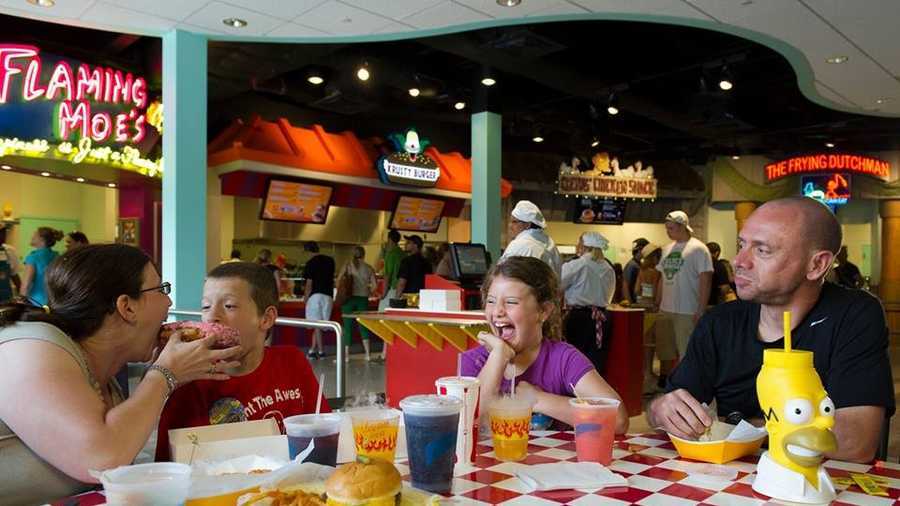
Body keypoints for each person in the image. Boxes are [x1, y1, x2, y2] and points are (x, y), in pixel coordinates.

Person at [648, 197, 894, 463]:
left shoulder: (854, 314)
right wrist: (661, 409)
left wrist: (737, 427)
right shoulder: (720, 322)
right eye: (741, 245)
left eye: (762, 250)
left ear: (816, 265)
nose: (739, 261)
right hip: (733, 485)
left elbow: (854, 443)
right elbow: (662, 411)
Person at [0, 244, 241, 505]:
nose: (169, 301)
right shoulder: (29, 347)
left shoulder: (105, 381)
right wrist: (164, 375)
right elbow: (102, 458)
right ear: (127, 307)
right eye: (161, 289)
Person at [155, 262, 329, 461]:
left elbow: (324, 433)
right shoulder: (190, 381)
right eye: (206, 306)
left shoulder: (292, 362)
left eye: (229, 306)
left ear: (266, 318)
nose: (212, 316)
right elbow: (168, 463)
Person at [460, 256, 628, 433]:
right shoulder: (473, 362)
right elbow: (469, 423)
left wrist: (537, 399)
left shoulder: (564, 359)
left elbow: (618, 420)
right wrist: (498, 356)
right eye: (491, 301)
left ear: (543, 311)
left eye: (511, 302)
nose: (497, 311)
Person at [655, 211, 712, 358]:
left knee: (686, 352)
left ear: (682, 227)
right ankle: (667, 380)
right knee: (665, 352)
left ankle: (685, 381)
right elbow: (662, 277)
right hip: (665, 309)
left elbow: (705, 279)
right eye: (667, 228)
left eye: (671, 228)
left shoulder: (698, 249)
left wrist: (701, 309)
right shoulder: (666, 249)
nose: (668, 232)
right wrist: (658, 302)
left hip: (687, 310)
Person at [561, 232, 616, 374]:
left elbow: (557, 284)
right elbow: (610, 295)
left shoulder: (577, 265)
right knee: (596, 359)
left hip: (579, 317)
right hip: (602, 317)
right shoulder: (608, 268)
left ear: (584, 246)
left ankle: (573, 390)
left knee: (574, 357)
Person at [501, 200, 562, 277]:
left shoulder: (520, 245)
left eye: (514, 222)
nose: (510, 226)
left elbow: (504, 276)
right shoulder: (549, 242)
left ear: (527, 225)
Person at [339, 246, 377, 362]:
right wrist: (368, 291)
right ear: (364, 255)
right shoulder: (369, 268)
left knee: (347, 325)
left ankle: (346, 356)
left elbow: (339, 280)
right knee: (363, 325)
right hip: (363, 298)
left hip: (349, 299)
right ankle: (367, 354)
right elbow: (374, 286)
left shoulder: (347, 265)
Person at [303, 242, 335, 359]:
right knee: (319, 325)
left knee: (316, 325)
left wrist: (306, 299)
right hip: (328, 296)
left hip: (315, 296)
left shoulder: (310, 263)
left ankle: (321, 351)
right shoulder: (330, 261)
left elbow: (309, 284)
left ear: (307, 251)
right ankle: (313, 350)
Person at [20, 227, 64, 306]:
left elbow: (26, 285)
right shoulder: (58, 256)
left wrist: (20, 304)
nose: (32, 237)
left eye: (35, 235)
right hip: (54, 303)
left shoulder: (33, 257)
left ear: (42, 239)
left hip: (36, 303)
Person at [621, 238, 649, 304]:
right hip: (633, 303)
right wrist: (630, 304)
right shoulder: (632, 266)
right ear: (640, 249)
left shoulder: (639, 264)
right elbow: (625, 286)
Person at [0, 225, 20, 303]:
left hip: (6, 297)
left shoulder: (10, 251)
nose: (3, 236)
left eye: (4, 233)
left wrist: (23, 296)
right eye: (1, 233)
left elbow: (14, 275)